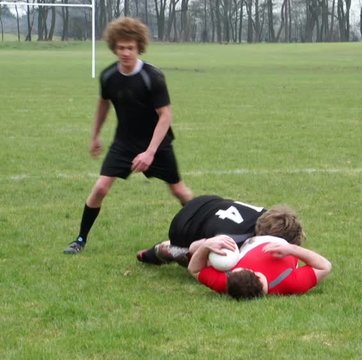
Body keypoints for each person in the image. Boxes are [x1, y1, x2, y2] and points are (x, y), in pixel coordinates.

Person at [64, 17, 193, 254]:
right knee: (101, 187)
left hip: (157, 143)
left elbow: (165, 116)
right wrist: (94, 136)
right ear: (114, 47)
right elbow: (103, 105)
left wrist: (150, 152)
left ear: (139, 47)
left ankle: (203, 230)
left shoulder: (152, 76)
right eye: (121, 47)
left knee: (179, 191)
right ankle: (80, 239)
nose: (125, 52)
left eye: (130, 48)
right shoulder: (108, 76)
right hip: (124, 142)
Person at [136, 195, 306, 266]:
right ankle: (166, 249)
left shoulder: (268, 216)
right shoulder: (236, 238)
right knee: (221, 262)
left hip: (208, 201)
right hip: (183, 225)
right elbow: (197, 246)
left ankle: (154, 252)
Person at [188, 235, 332, 300]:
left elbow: (194, 269)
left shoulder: (226, 283)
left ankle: (172, 247)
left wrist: (206, 246)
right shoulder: (291, 283)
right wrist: (292, 249)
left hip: (250, 236)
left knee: (195, 247)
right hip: (284, 236)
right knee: (284, 218)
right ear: (254, 273)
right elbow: (325, 266)